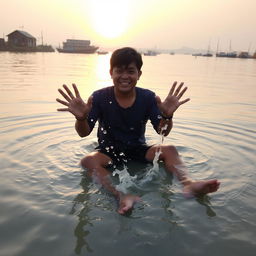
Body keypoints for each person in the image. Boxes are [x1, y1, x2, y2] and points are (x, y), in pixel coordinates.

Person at [56, 47, 220, 215]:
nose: (125, 76)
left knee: (169, 149)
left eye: (131, 71)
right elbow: (84, 132)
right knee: (88, 161)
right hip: (108, 152)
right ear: (111, 73)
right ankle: (121, 195)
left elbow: (162, 131)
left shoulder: (147, 97)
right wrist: (81, 118)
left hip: (138, 149)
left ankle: (188, 183)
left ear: (139, 74)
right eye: (119, 71)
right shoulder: (99, 97)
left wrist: (167, 116)